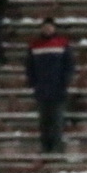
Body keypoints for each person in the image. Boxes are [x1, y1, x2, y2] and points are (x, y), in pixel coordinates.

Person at [25, 19, 74, 154]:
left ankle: (57, 146)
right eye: (45, 27)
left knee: (57, 119)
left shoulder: (62, 43)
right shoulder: (35, 45)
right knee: (44, 120)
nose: (47, 30)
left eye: (50, 27)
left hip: (58, 88)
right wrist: (33, 82)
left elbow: (69, 64)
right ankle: (45, 146)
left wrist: (65, 81)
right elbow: (30, 66)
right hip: (41, 89)